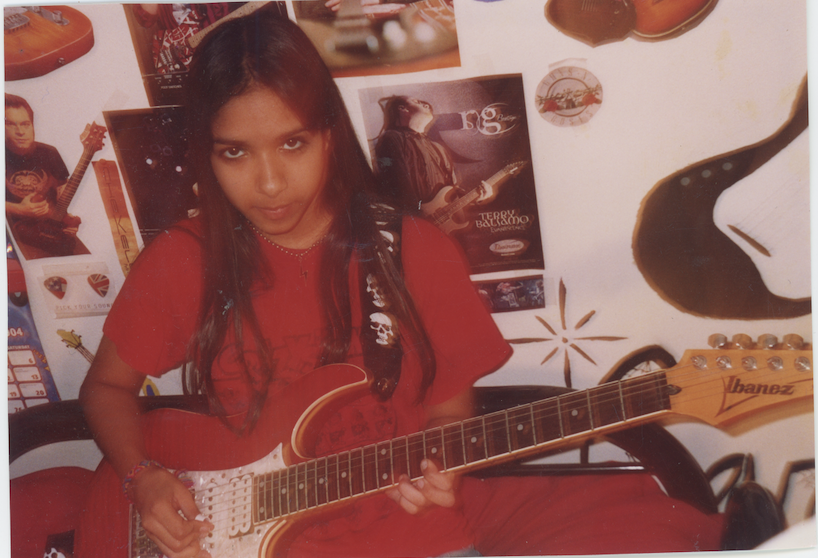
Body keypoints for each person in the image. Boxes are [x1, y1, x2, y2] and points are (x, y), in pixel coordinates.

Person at [76, 10, 510, 558]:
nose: (269, 183)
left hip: (412, 540)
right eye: (235, 151)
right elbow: (105, 388)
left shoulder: (418, 249)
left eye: (292, 144)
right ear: (207, 154)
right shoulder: (183, 260)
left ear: (328, 136)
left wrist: (438, 472)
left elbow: (448, 413)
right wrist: (141, 477)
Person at [374, 95, 496, 218]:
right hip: (414, 221)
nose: (426, 104)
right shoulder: (392, 138)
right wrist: (417, 219)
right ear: (403, 109)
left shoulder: (439, 149)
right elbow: (400, 185)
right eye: (417, 102)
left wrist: (477, 197)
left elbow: (452, 192)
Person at [5, 93, 83, 258]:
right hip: (12, 234)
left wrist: (68, 221)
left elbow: (63, 195)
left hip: (51, 227)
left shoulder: (49, 152)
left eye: (25, 124)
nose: (20, 132)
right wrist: (19, 209)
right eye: (10, 124)